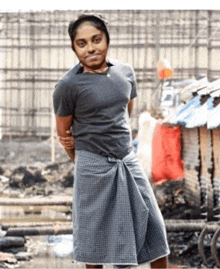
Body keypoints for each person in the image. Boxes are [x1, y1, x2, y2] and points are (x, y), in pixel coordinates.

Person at [53, 13, 170, 269]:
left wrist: (119, 150)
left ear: (107, 38)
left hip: (127, 161)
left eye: (97, 39)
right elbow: (64, 134)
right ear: (73, 47)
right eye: (82, 43)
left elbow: (124, 113)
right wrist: (85, 162)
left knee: (155, 232)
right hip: (93, 166)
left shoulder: (125, 72)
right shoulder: (68, 86)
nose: (91, 48)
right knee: (95, 241)